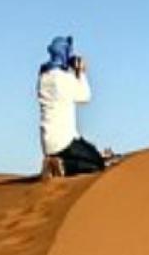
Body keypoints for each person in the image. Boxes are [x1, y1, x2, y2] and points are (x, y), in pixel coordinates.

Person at [36, 36, 106, 176]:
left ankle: (57, 162)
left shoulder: (43, 78)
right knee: (97, 165)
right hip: (65, 141)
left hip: (48, 142)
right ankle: (61, 166)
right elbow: (85, 97)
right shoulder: (63, 79)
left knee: (92, 151)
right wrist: (81, 72)